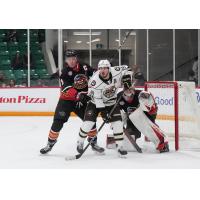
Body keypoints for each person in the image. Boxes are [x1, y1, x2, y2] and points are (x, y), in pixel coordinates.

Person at [40, 50, 104, 154]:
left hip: (81, 100)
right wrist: (79, 94)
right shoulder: (64, 72)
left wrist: (102, 71)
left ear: (76, 58)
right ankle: (50, 143)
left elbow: (95, 74)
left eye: (74, 58)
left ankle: (93, 142)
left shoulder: (84, 67)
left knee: (90, 120)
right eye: (69, 59)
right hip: (66, 101)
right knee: (58, 122)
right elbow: (66, 88)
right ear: (66, 60)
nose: (72, 61)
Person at [76, 59, 131, 158]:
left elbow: (128, 69)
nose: (102, 70)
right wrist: (104, 113)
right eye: (100, 68)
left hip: (112, 103)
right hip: (94, 103)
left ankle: (120, 146)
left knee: (118, 123)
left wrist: (128, 79)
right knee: (88, 123)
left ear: (109, 68)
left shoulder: (116, 70)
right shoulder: (94, 81)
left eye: (105, 68)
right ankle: (80, 142)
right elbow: (98, 100)